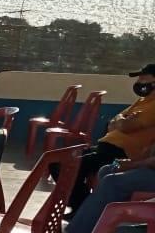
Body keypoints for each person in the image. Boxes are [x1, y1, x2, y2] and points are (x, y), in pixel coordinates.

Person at [54, 63, 155, 213]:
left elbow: (125, 126)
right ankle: (83, 207)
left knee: (66, 167)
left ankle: (82, 210)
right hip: (105, 147)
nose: (139, 82)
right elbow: (112, 123)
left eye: (143, 78)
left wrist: (121, 121)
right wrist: (121, 120)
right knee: (56, 163)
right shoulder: (142, 101)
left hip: (120, 152)